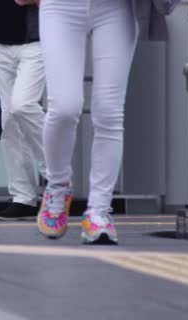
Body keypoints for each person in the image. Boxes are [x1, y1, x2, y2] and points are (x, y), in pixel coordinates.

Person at [36, 0, 142, 244]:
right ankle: (57, 185)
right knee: (64, 106)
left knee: (109, 111)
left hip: (117, 7)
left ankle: (99, 210)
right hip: (60, 6)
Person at [0, 0, 46, 221]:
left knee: (23, 106)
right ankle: (23, 198)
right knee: (10, 121)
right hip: (1, 45)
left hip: (36, 43)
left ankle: (57, 173)